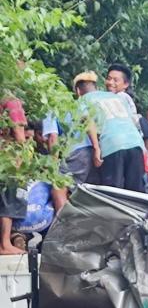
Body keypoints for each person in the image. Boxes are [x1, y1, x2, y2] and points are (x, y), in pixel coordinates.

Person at [74, 72, 146, 191]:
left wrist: (96, 149)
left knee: (112, 192)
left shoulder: (83, 100)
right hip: (135, 143)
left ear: (78, 91)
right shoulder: (117, 97)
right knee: (136, 190)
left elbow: (88, 122)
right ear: (96, 87)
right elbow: (131, 121)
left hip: (112, 144)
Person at [42, 71, 103, 211]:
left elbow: (53, 138)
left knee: (58, 188)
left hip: (75, 152)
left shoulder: (50, 108)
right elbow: (89, 122)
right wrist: (96, 149)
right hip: (91, 151)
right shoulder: (77, 105)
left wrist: (53, 165)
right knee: (88, 193)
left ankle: (63, 228)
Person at [0, 96, 28, 254]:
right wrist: (22, 157)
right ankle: (5, 244)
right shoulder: (11, 99)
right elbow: (17, 128)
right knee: (9, 198)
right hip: (6, 154)